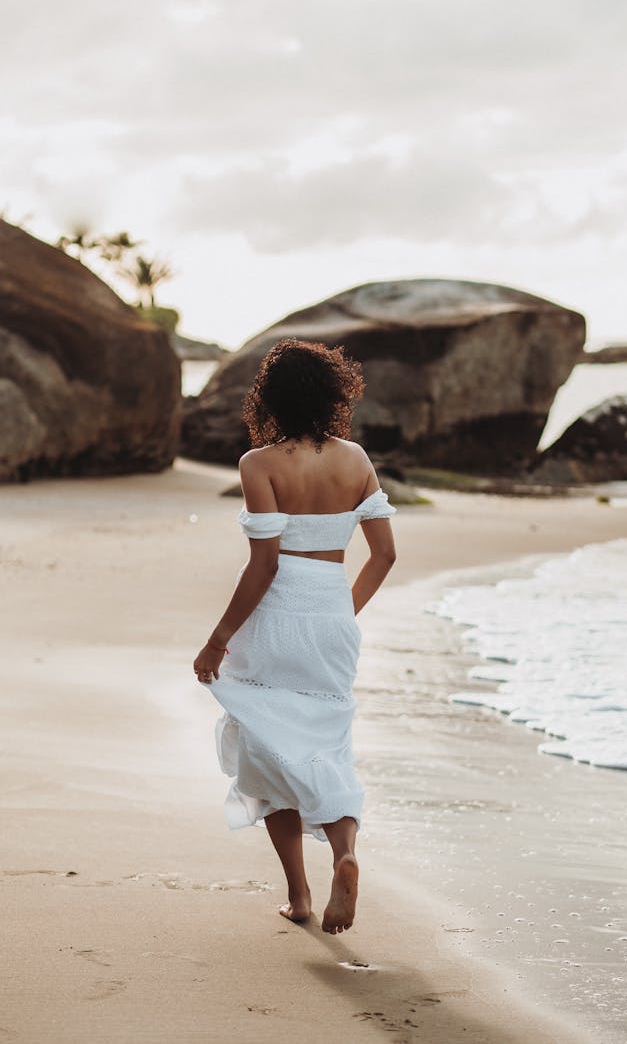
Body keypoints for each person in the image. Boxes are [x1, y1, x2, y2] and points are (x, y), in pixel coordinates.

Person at [193, 338, 397, 935]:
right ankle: (345, 854)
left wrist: (218, 639)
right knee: (326, 743)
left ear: (270, 397)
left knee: (263, 746)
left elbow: (266, 565)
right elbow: (385, 555)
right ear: (334, 393)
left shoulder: (260, 464)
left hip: (274, 618)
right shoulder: (356, 459)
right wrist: (340, 613)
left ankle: (300, 894)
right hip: (332, 614)